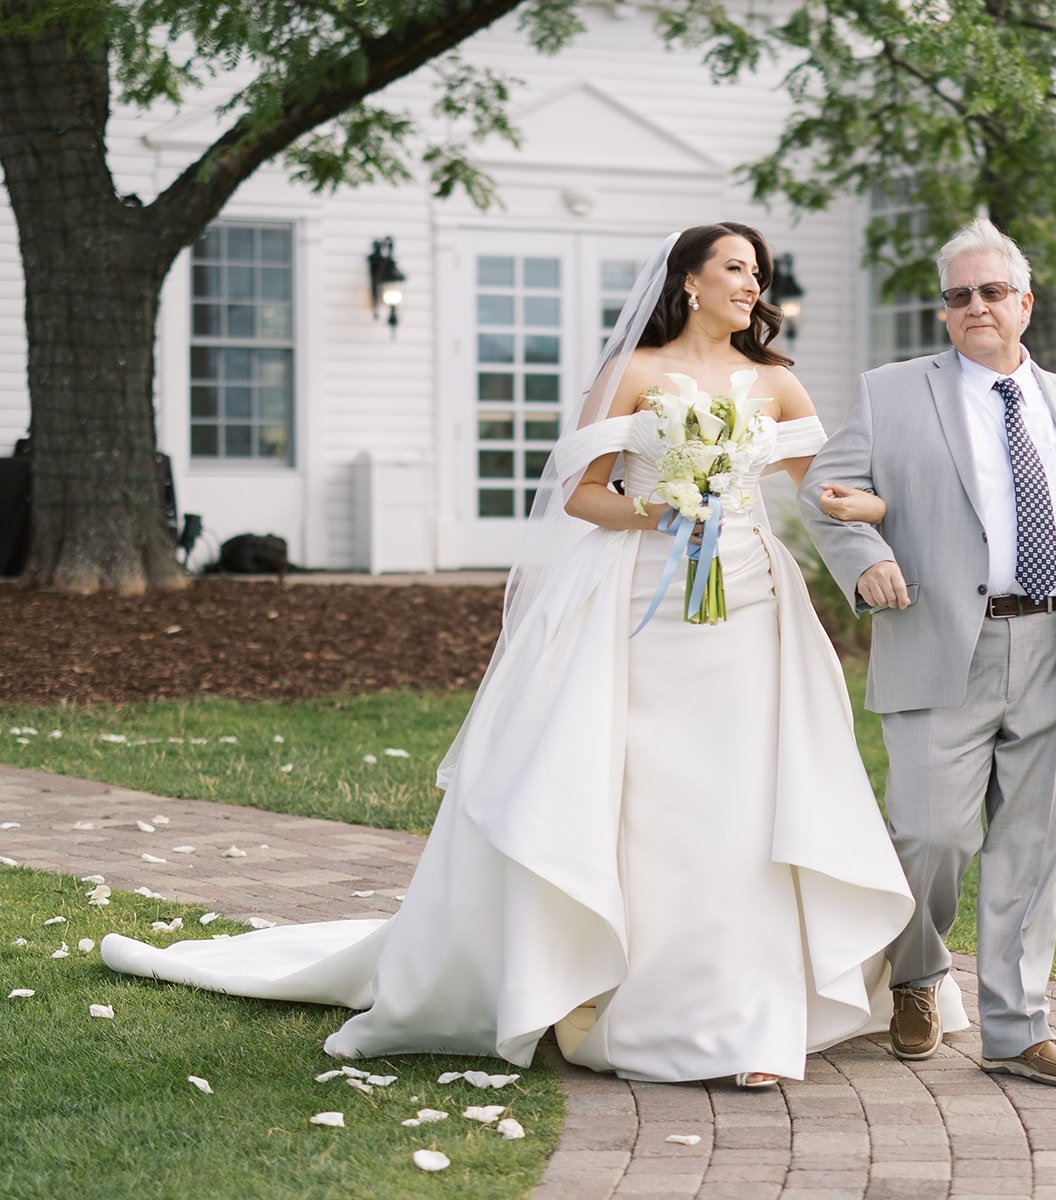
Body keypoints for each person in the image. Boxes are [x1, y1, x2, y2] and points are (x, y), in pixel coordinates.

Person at [102, 222, 966, 1086]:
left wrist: (888, 511)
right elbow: (583, 497)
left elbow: (822, 490)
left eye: (758, 272)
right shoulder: (629, 374)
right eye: (735, 269)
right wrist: (664, 511)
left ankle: (744, 1015)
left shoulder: (775, 380)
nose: (752, 284)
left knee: (744, 797)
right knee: (650, 799)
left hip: (750, 606)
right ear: (690, 282)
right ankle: (609, 984)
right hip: (639, 606)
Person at [800, 217, 1056, 1088]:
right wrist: (868, 560)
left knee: (1032, 848)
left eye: (993, 292)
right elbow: (825, 494)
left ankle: (1019, 1028)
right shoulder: (891, 391)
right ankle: (917, 976)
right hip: (939, 642)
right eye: (960, 296)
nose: (976, 307)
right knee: (928, 834)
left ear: (1024, 303)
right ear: (945, 313)